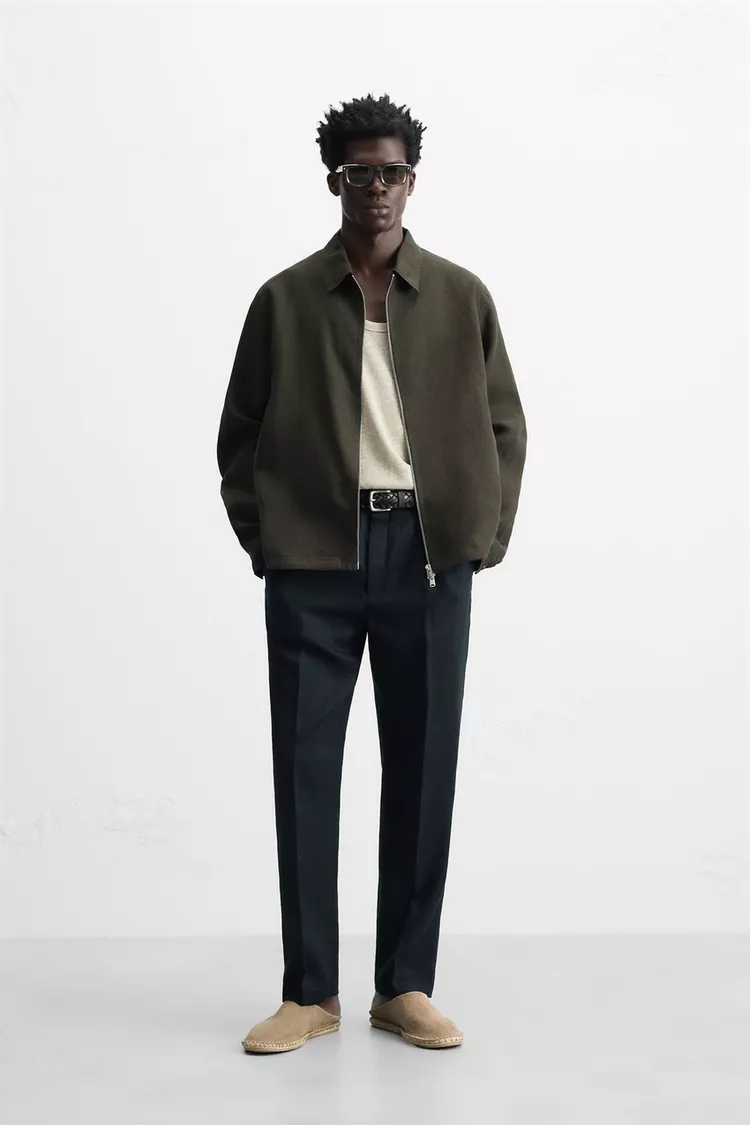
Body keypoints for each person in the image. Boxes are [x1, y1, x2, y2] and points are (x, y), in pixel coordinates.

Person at [216, 92, 528, 1053]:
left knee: (423, 771)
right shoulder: (283, 300)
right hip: (314, 559)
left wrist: (479, 535)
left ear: (412, 180)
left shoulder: (462, 296)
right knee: (304, 772)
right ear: (335, 181)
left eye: (392, 172)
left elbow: (505, 426)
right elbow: (239, 436)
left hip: (428, 560)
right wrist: (271, 539)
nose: (378, 188)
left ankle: (406, 984)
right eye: (360, 173)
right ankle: (309, 992)